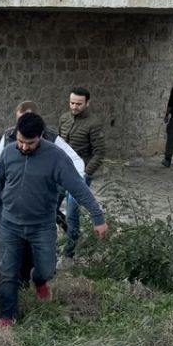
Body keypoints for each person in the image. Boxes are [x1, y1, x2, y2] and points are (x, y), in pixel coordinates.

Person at [0, 113, 107, 326]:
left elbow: (78, 188)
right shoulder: (8, 153)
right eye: (20, 141)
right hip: (10, 225)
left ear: (40, 137)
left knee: (47, 268)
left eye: (29, 143)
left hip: (41, 226)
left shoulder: (56, 158)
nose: (23, 147)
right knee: (8, 272)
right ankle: (7, 316)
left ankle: (39, 279)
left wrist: (98, 217)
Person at [59, 87, 106, 261]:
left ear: (87, 103)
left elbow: (100, 152)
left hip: (80, 175)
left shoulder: (93, 123)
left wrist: (85, 173)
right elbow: (58, 144)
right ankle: (67, 235)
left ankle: (69, 254)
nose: (75, 107)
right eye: (72, 103)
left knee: (72, 213)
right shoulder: (64, 118)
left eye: (79, 104)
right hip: (60, 173)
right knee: (50, 208)